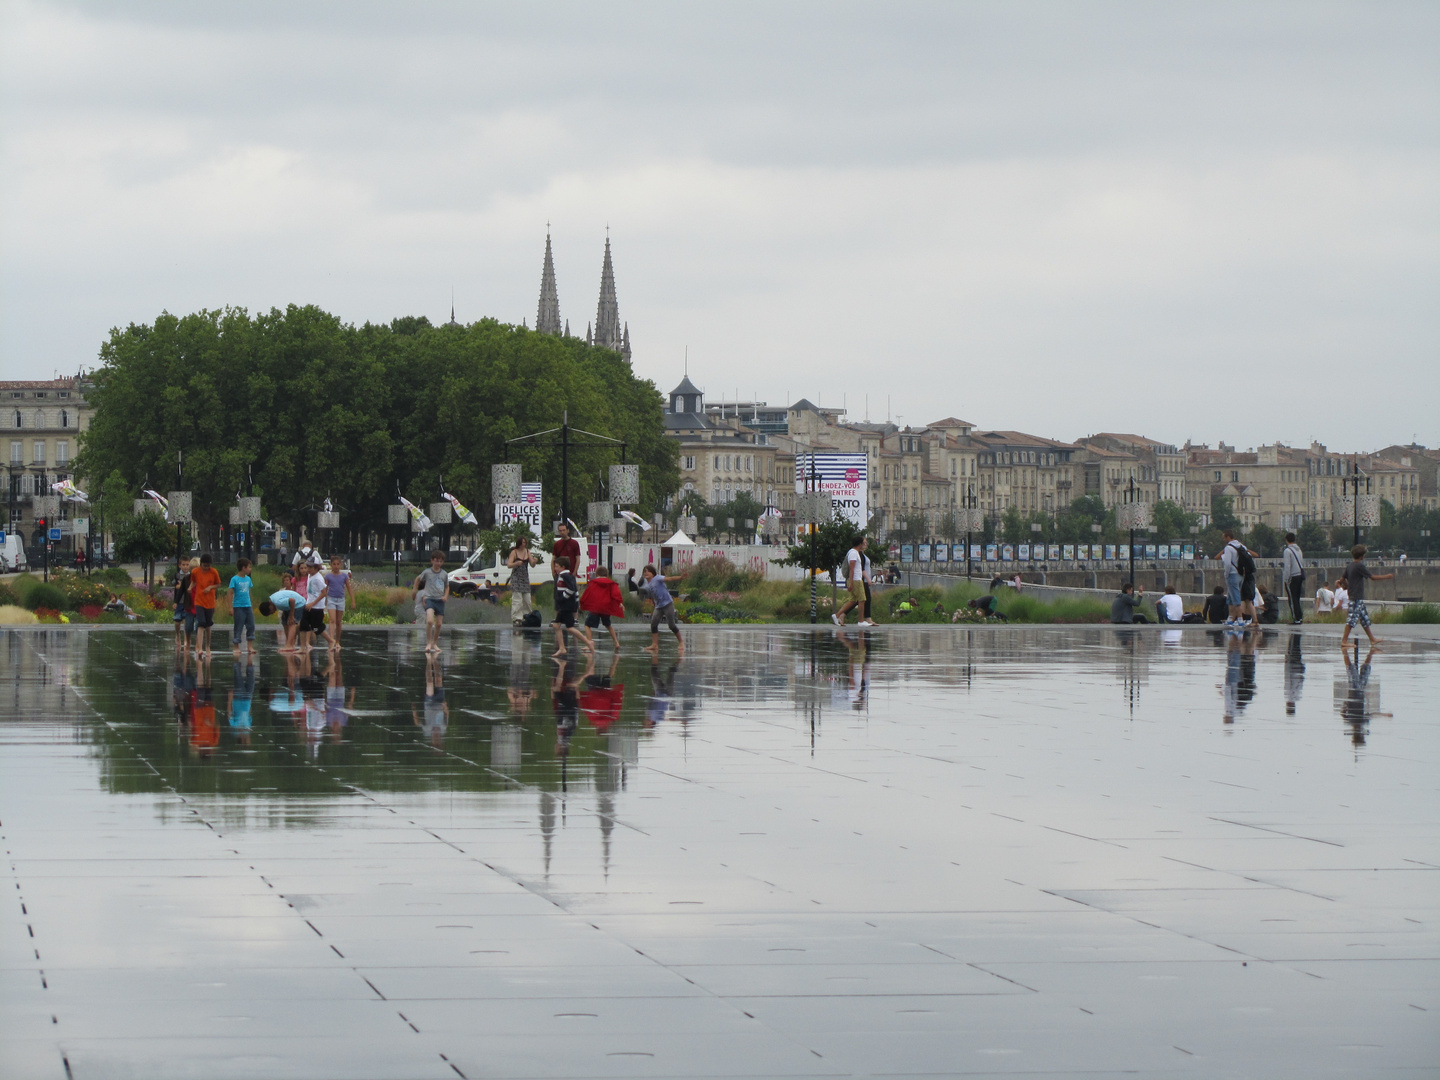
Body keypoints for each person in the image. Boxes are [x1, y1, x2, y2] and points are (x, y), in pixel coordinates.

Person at [1339, 544, 1394, 649]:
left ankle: (1372, 639)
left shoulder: (1350, 565)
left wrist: (1347, 587)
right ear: (1362, 556)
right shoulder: (1359, 566)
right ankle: (1344, 641)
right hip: (1356, 596)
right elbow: (1372, 577)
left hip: (1354, 595)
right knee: (1351, 619)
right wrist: (1386, 577)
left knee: (1364, 618)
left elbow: (1341, 579)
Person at [636, 564, 684, 656]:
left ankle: (681, 642)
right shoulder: (648, 584)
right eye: (644, 571)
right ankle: (655, 644)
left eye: (648, 571)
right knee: (653, 624)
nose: (646, 573)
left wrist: (680, 577)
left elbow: (669, 579)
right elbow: (654, 595)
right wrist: (654, 604)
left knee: (671, 625)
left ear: (653, 573)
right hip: (659, 606)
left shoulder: (657, 578)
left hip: (667, 604)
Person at [413, 549, 450, 653]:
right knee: (429, 621)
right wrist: (414, 590)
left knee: (438, 624)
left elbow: (447, 587)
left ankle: (434, 642)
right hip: (429, 599)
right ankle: (428, 642)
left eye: (440, 561)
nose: (438, 563)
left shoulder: (444, 574)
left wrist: (445, 596)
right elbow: (418, 579)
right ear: (432, 561)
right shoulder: (427, 572)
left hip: (440, 600)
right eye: (436, 561)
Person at [579, 567, 625, 650]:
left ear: (597, 574)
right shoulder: (611, 583)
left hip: (596, 607)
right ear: (606, 574)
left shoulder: (594, 582)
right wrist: (620, 603)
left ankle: (589, 643)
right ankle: (616, 642)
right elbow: (616, 594)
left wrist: (582, 602)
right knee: (608, 625)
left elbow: (588, 593)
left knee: (587, 625)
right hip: (606, 607)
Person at [258, 582, 312, 652]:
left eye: (271, 612)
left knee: (291, 623)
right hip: (291, 605)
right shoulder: (272, 599)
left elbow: (292, 600)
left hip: (299, 603)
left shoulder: (277, 602)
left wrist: (291, 615)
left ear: (270, 607)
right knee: (284, 621)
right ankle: (290, 643)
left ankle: (289, 645)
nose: (273, 612)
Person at [550, 556, 586, 656]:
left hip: (565, 606)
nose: (555, 568)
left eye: (556, 566)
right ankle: (562, 648)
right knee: (557, 625)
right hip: (564, 606)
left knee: (569, 628)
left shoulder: (565, 575)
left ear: (563, 567)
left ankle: (588, 642)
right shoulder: (563, 575)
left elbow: (572, 589)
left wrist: (563, 598)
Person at [189, 553, 222, 658]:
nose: (206, 568)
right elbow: (194, 581)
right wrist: (190, 587)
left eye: (208, 566)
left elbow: (219, 584)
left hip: (210, 602)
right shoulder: (195, 572)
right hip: (199, 601)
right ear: (201, 564)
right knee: (201, 623)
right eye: (204, 565)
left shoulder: (213, 572)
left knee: (208, 625)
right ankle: (199, 647)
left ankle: (207, 646)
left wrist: (211, 587)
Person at [321, 555, 356, 650]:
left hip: (341, 599)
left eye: (337, 564)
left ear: (340, 565)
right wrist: (323, 600)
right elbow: (325, 588)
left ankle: (337, 641)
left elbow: (349, 588)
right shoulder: (328, 576)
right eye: (334, 564)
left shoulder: (344, 576)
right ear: (331, 565)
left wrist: (353, 600)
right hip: (331, 599)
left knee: (338, 621)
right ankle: (331, 640)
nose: (336, 566)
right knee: (332, 620)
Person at [832, 535, 867, 627]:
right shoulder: (853, 553)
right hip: (855, 580)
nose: (864, 545)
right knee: (862, 600)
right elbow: (852, 568)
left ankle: (837, 615)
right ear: (859, 544)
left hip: (855, 579)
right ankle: (861, 621)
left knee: (853, 600)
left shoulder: (854, 552)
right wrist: (851, 582)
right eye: (863, 543)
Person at [227, 557, 257, 655]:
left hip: (247, 605)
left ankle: (250, 646)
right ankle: (236, 646)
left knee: (251, 625)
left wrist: (252, 603)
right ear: (243, 568)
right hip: (238, 606)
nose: (250, 569)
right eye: (249, 567)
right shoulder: (234, 579)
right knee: (238, 626)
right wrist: (230, 607)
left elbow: (250, 592)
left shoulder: (248, 579)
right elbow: (230, 593)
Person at [507, 534, 539, 625]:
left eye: (524, 543)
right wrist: (516, 563)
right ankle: (517, 618)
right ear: (518, 543)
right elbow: (509, 565)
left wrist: (534, 561)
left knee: (527, 599)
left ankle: (527, 616)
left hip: (525, 578)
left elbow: (532, 564)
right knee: (517, 599)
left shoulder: (527, 551)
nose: (523, 545)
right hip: (516, 577)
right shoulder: (514, 552)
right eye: (522, 543)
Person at [300, 560, 329, 652]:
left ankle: (331, 640)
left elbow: (324, 593)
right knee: (303, 625)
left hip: (316, 607)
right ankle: (302, 647)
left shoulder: (318, 578)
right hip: (308, 604)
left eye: (310, 568)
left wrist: (313, 603)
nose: (308, 569)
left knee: (316, 628)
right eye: (307, 567)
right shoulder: (310, 575)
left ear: (316, 568)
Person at [1282, 532, 1306, 625]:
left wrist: (1286, 579)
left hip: (1292, 576)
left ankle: (1296, 618)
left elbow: (1287, 566)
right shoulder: (1299, 550)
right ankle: (1299, 617)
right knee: (1297, 597)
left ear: (1287, 540)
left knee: (1292, 598)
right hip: (1300, 575)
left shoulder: (1287, 551)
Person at [172, 558, 197, 648]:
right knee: (177, 620)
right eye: (184, 565)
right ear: (180, 565)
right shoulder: (177, 575)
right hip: (179, 601)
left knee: (187, 621)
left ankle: (186, 638)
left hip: (187, 602)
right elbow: (176, 586)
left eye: (187, 565)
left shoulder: (192, 576)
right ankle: (178, 635)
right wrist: (176, 602)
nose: (186, 567)